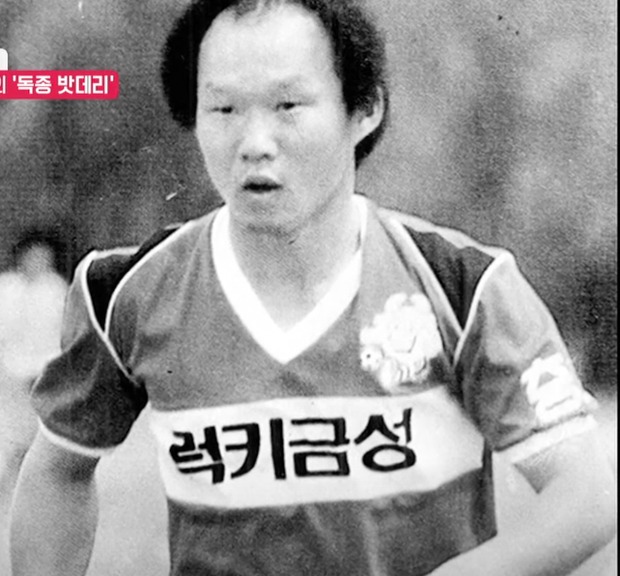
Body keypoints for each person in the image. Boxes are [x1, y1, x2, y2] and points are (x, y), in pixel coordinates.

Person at [10, 1, 616, 575]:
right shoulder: (128, 293)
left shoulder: (463, 286)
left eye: (288, 106)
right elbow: (58, 470)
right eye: (224, 109)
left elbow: (586, 495)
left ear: (364, 109)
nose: (254, 143)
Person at [0, 230, 68, 572]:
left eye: (44, 257)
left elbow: (62, 339)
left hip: (44, 378)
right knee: (9, 444)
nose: (37, 262)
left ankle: (36, 509)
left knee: (38, 447)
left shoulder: (55, 290)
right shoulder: (6, 288)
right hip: (8, 378)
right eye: (32, 255)